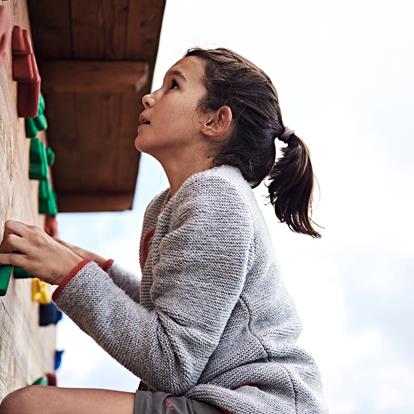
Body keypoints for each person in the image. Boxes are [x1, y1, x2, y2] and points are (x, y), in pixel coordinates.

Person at [0, 47, 329, 414]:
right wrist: (101, 273)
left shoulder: (216, 197)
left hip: (254, 406)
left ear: (216, 121)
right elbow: (173, 319)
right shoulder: (170, 203)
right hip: (222, 399)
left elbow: (172, 362)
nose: (149, 96)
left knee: (28, 407)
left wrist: (70, 274)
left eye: (173, 85)